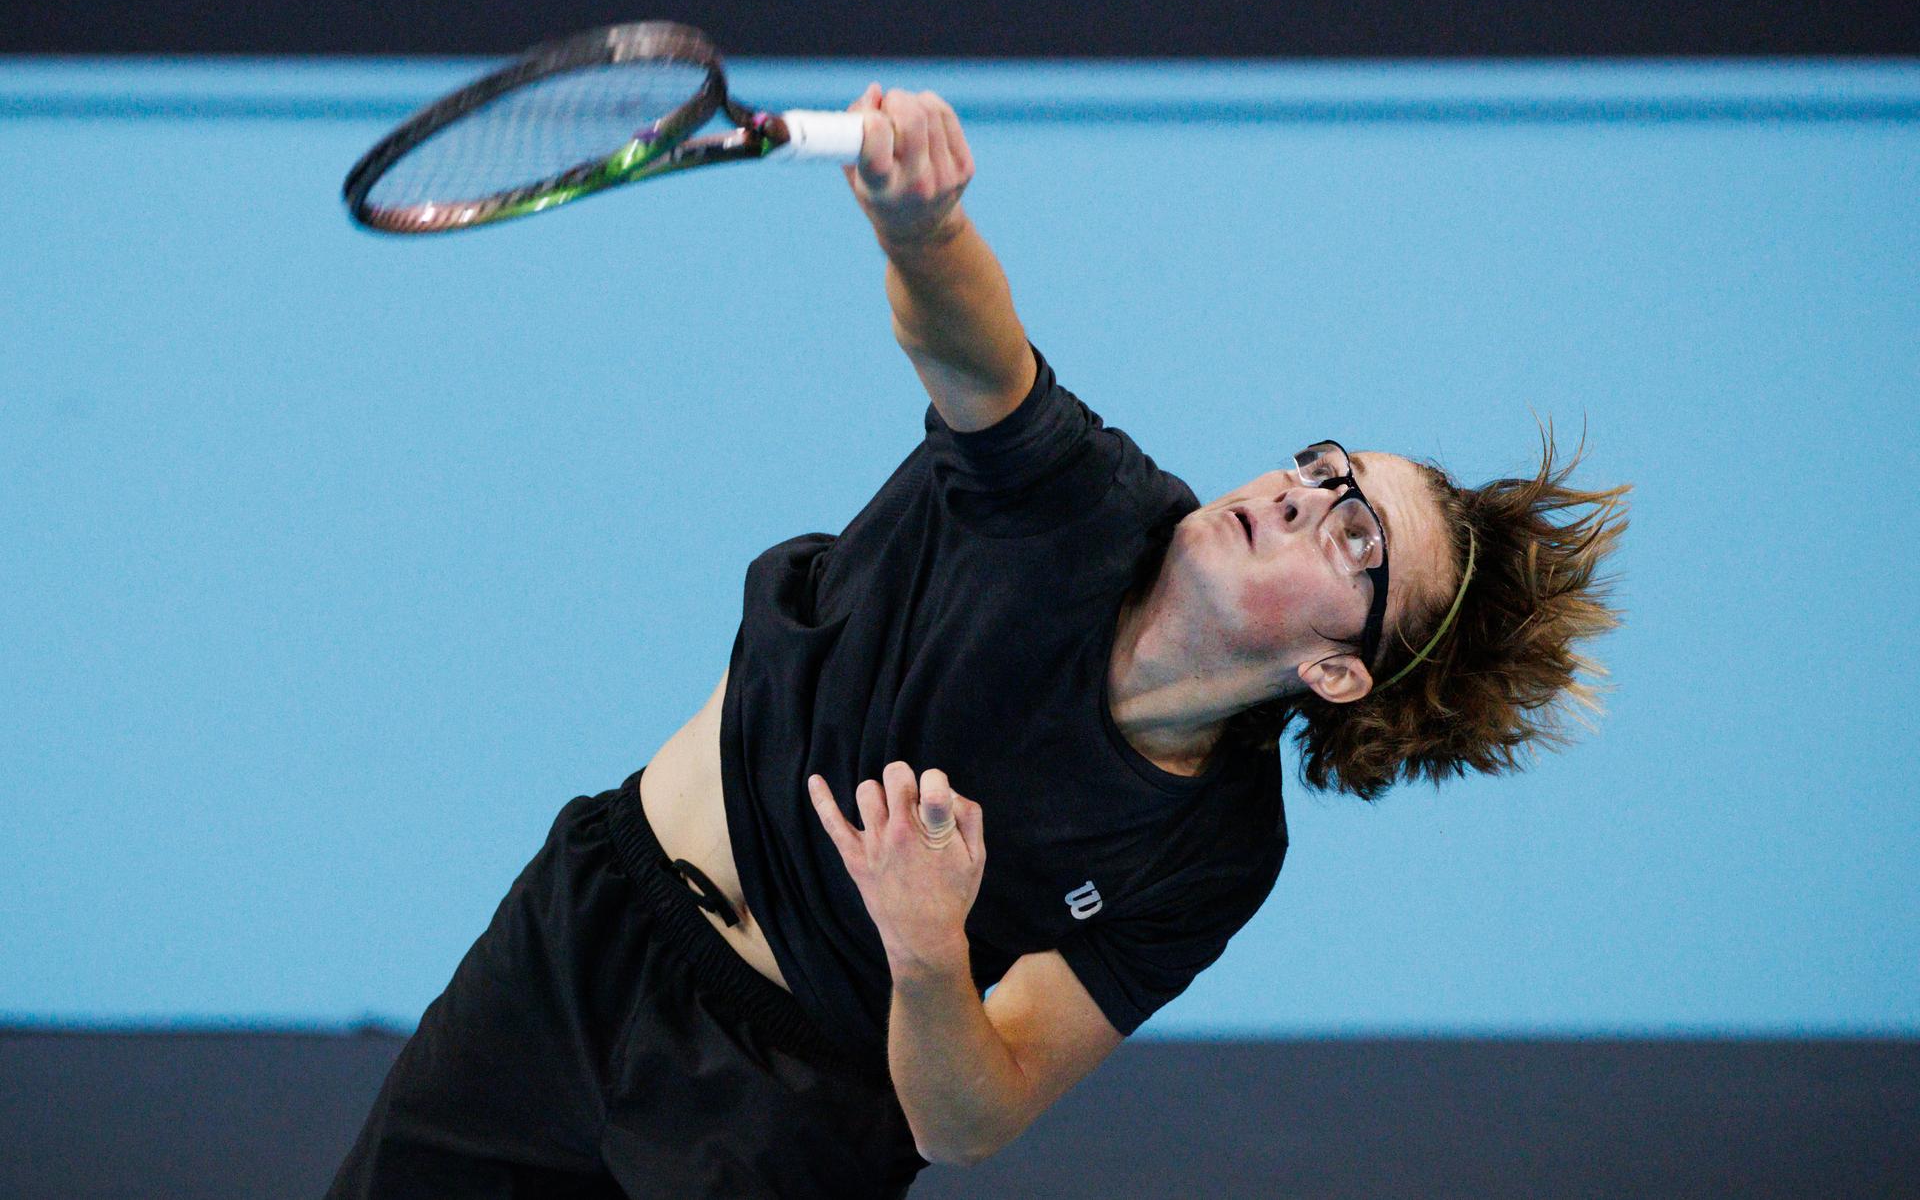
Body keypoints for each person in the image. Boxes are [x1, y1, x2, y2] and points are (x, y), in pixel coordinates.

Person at [327, 85, 1632, 1200]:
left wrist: (926, 940)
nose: (1302, 496)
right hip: (586, 938)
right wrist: (923, 222)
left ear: (1342, 673)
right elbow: (974, 349)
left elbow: (969, 1118)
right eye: (1323, 466)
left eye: (1355, 540)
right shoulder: (1078, 502)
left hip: (793, 1119)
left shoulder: (1213, 852)